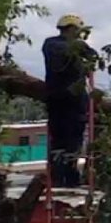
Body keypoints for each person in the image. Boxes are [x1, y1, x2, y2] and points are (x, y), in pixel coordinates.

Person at [42, 14, 99, 188]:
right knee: (61, 140)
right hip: (62, 100)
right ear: (71, 29)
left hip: (73, 101)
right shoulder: (52, 45)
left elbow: (94, 58)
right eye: (77, 31)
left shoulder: (75, 46)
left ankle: (70, 178)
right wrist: (81, 48)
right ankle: (59, 179)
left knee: (73, 141)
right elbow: (62, 57)